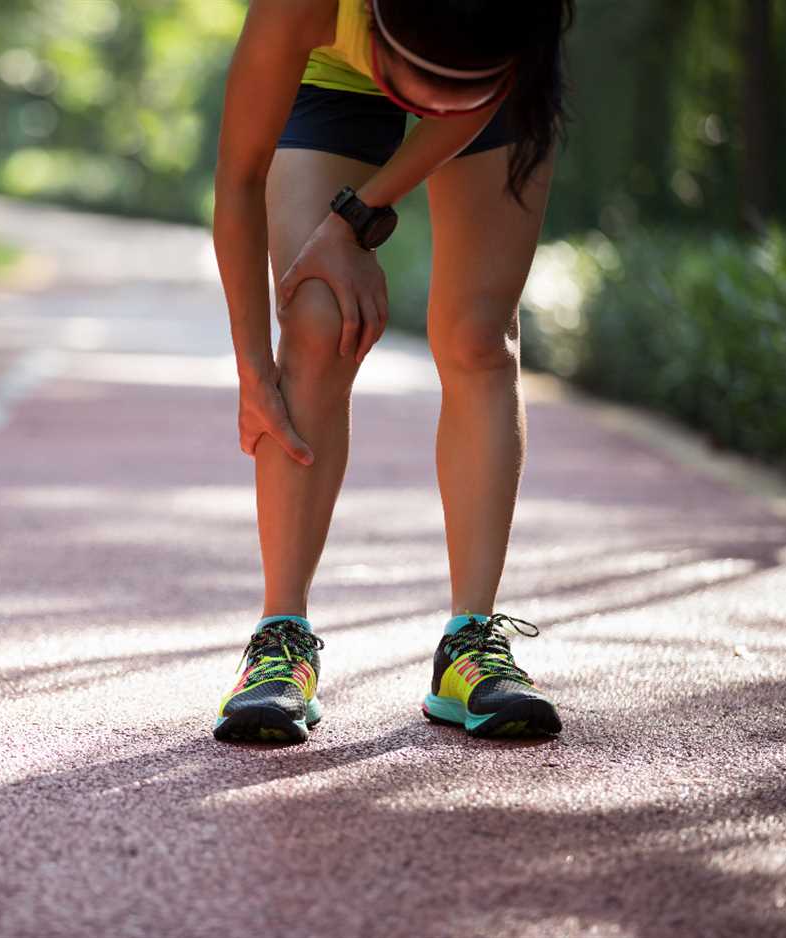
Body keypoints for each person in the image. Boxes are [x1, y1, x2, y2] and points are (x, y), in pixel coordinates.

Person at [211, 0, 575, 743]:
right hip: (333, 77)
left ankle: (469, 644)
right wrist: (253, 368)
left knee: (477, 338)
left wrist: (357, 217)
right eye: (417, 86)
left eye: (445, 92)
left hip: (494, 66)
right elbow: (240, 178)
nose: (423, 107)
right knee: (316, 319)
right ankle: (280, 639)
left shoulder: (518, 22)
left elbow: (470, 100)